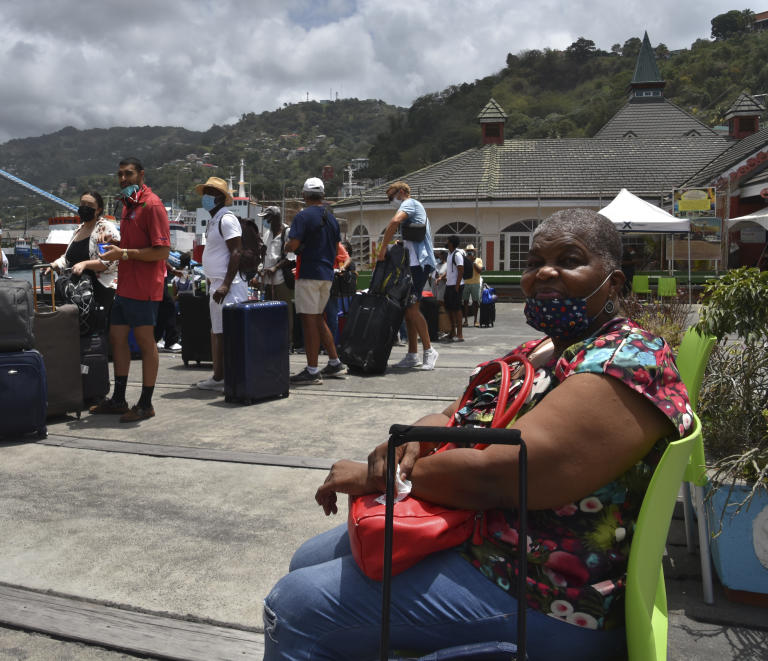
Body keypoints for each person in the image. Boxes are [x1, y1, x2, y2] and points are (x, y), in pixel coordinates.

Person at [263, 209, 692, 660]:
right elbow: (455, 415)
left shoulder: (628, 360)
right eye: (534, 262)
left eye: (569, 260)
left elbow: (502, 473)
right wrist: (407, 441)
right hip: (483, 540)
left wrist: (379, 479)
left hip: (546, 593)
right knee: (310, 559)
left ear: (615, 282)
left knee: (296, 605)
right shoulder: (543, 349)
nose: (545, 272)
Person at [95, 157, 171, 422]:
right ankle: (118, 399)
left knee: (145, 342)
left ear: (141, 174)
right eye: (120, 175)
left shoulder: (152, 205)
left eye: (128, 174)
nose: (123, 179)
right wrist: (115, 241)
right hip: (125, 286)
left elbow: (162, 250)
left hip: (145, 287)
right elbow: (133, 243)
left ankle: (146, 403)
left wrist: (124, 253)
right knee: (117, 338)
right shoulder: (128, 206)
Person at [285, 177, 346, 384]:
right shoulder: (332, 218)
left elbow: (293, 244)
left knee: (309, 321)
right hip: (327, 274)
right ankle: (334, 362)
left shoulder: (303, 216)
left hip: (309, 272)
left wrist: (287, 247)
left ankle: (312, 371)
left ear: (304, 196)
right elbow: (337, 246)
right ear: (323, 196)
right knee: (319, 318)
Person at [193, 177, 248, 392]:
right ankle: (219, 376)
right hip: (217, 284)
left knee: (228, 331)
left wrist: (225, 284)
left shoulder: (227, 219)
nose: (205, 197)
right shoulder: (215, 220)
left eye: (209, 192)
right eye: (204, 191)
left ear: (218, 197)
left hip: (229, 286)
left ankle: (228, 376)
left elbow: (236, 251)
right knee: (217, 331)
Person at [377, 181, 439, 370]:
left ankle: (429, 350)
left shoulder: (409, 204)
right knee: (408, 310)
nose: (391, 201)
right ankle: (413, 354)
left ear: (402, 192)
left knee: (411, 309)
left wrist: (381, 250)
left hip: (418, 265)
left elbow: (394, 222)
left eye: (392, 197)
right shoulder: (413, 207)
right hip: (414, 265)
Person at [49, 190, 120, 318]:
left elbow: (107, 262)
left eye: (90, 205)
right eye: (82, 204)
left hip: (99, 292)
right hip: (76, 292)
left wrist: (85, 264)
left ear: (98, 210)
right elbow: (68, 258)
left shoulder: (104, 229)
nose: (85, 208)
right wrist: (53, 265)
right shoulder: (79, 229)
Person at [255, 205, 294, 343]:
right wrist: (261, 269)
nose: (266, 221)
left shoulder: (287, 232)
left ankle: (288, 341)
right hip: (267, 279)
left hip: (281, 279)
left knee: (285, 310)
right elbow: (264, 255)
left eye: (268, 218)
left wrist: (275, 268)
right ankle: (272, 339)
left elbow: (290, 257)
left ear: (275, 219)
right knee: (269, 309)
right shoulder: (267, 233)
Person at [323, 241, 352, 348]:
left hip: (330, 284)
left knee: (331, 317)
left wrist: (342, 267)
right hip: (313, 281)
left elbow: (347, 258)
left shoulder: (334, 242)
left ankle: (331, 346)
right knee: (314, 317)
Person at [444, 235, 466, 342]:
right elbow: (449, 270)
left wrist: (457, 286)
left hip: (456, 286)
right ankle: (452, 332)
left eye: (447, 241)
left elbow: (461, 270)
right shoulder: (449, 254)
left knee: (457, 309)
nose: (446, 242)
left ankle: (460, 334)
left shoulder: (457, 255)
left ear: (451, 243)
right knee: (449, 308)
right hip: (449, 285)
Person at [461, 243, 484, 327]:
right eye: (468, 251)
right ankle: (466, 320)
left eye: (471, 251)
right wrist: (467, 260)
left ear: (474, 252)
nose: (470, 252)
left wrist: (473, 262)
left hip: (475, 283)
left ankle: (475, 320)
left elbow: (480, 271)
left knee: (475, 302)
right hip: (466, 282)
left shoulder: (478, 260)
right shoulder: (463, 260)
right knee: (465, 302)